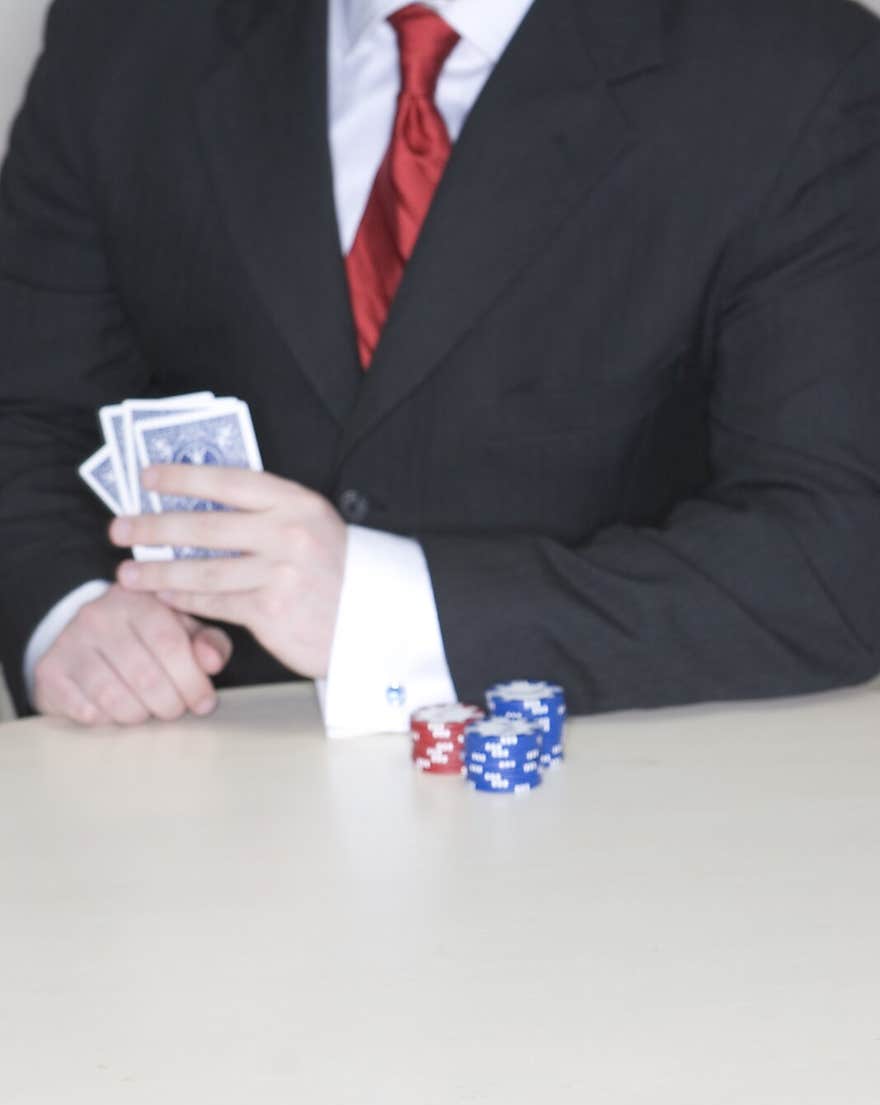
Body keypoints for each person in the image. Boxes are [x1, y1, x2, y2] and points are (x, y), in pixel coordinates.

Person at [1, 0, 879, 734]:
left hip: (617, 816)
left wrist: (382, 613)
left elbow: (834, 552)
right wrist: (66, 617)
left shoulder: (797, 73)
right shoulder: (126, 32)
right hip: (193, 796)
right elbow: (27, 416)